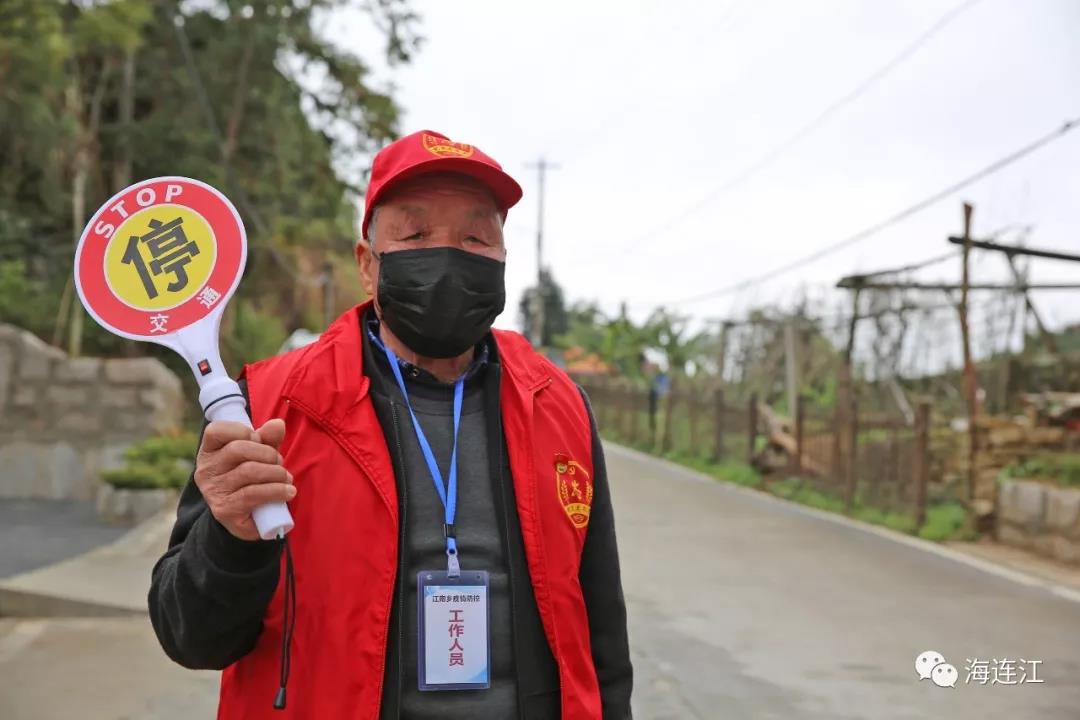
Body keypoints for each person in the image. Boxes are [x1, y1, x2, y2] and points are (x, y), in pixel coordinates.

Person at [148, 130, 633, 719]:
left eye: (476, 237)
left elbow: (601, 632)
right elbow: (191, 638)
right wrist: (229, 538)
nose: (448, 257)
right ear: (368, 265)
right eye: (415, 234)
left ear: (503, 261)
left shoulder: (558, 405)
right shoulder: (271, 407)